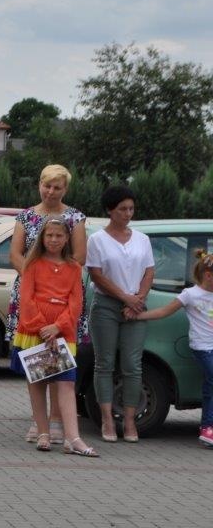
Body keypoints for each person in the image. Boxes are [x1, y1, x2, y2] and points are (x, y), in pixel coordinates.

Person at [6, 164, 87, 445]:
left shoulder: (75, 217)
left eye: (57, 187)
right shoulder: (25, 216)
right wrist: (36, 277)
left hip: (63, 298)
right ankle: (39, 423)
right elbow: (15, 254)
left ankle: (56, 420)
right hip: (32, 300)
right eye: (47, 185)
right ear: (39, 185)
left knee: (60, 364)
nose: (51, 191)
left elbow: (79, 257)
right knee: (38, 363)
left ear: (65, 189)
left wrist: (53, 280)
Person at [13, 219, 98, 456]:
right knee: (37, 383)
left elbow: (76, 303)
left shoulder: (73, 268)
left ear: (67, 239)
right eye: (49, 235)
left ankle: (73, 438)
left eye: (58, 236)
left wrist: (58, 327)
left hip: (62, 334)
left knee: (66, 383)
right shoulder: (32, 264)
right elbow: (26, 300)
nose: (53, 240)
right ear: (42, 237)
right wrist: (43, 327)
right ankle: (43, 432)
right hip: (36, 332)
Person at [86, 186, 154, 443]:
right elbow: (96, 275)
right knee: (104, 363)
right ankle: (106, 419)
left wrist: (138, 299)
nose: (128, 214)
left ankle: (129, 420)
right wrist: (125, 298)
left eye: (131, 209)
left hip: (135, 308)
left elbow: (149, 271)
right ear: (110, 210)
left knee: (132, 365)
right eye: (122, 209)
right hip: (106, 306)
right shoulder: (97, 239)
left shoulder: (142, 239)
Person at [135, 250, 213, 448]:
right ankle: (207, 427)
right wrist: (138, 316)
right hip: (203, 348)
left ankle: (207, 428)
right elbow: (164, 311)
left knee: (209, 385)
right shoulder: (191, 295)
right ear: (208, 275)